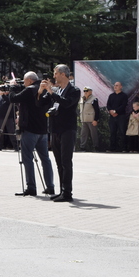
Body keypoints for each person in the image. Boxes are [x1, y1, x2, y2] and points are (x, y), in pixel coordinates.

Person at [9, 71, 55, 197]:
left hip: (30, 129)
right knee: (45, 159)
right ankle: (50, 186)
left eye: (24, 82)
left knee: (27, 158)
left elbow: (13, 98)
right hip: (43, 130)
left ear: (29, 80)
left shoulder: (30, 90)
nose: (23, 84)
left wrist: (13, 87)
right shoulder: (44, 89)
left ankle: (31, 187)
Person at [39, 64, 80, 202]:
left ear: (63, 74)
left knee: (66, 161)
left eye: (56, 73)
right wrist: (41, 91)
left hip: (68, 129)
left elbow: (66, 103)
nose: (54, 76)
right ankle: (62, 190)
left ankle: (67, 192)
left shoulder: (74, 90)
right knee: (58, 161)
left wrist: (51, 92)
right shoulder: (57, 90)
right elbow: (40, 103)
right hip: (55, 129)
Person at [106, 81, 129, 152]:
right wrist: (111, 111)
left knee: (122, 132)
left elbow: (123, 105)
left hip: (121, 116)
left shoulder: (124, 96)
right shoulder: (111, 95)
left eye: (117, 85)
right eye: (114, 85)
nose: (115, 87)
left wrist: (115, 111)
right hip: (112, 117)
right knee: (113, 132)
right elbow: (108, 105)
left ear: (121, 87)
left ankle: (124, 148)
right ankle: (112, 148)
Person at [79, 86, 100, 152]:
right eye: (84, 91)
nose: (85, 92)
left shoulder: (94, 99)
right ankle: (82, 147)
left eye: (87, 91)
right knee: (83, 134)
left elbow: (97, 110)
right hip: (84, 119)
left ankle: (96, 147)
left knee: (94, 134)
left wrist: (95, 120)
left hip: (91, 120)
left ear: (90, 92)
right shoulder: (82, 99)